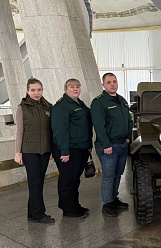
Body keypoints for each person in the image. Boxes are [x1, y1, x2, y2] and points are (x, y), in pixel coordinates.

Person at [91, 73, 133, 217]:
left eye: (114, 81)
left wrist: (128, 137)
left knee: (118, 174)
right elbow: (99, 126)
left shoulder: (122, 100)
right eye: (109, 82)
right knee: (109, 176)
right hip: (108, 146)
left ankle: (114, 198)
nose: (112, 84)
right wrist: (106, 144)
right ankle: (107, 204)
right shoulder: (99, 102)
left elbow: (129, 120)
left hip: (122, 145)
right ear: (103, 85)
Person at [14, 78, 55, 223]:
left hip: (44, 151)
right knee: (34, 182)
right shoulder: (22, 108)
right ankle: (39, 213)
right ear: (27, 91)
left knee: (39, 182)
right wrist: (17, 152)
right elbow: (20, 131)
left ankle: (31, 213)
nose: (36, 93)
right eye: (33, 90)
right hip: (29, 151)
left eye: (39, 90)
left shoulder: (47, 107)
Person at [51, 78, 92, 218]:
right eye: (72, 87)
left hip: (81, 147)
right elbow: (60, 130)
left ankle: (75, 205)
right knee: (67, 180)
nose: (75, 89)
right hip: (68, 149)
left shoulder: (79, 103)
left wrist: (88, 146)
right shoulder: (62, 106)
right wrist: (64, 151)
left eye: (77, 86)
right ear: (65, 89)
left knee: (75, 179)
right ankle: (68, 209)